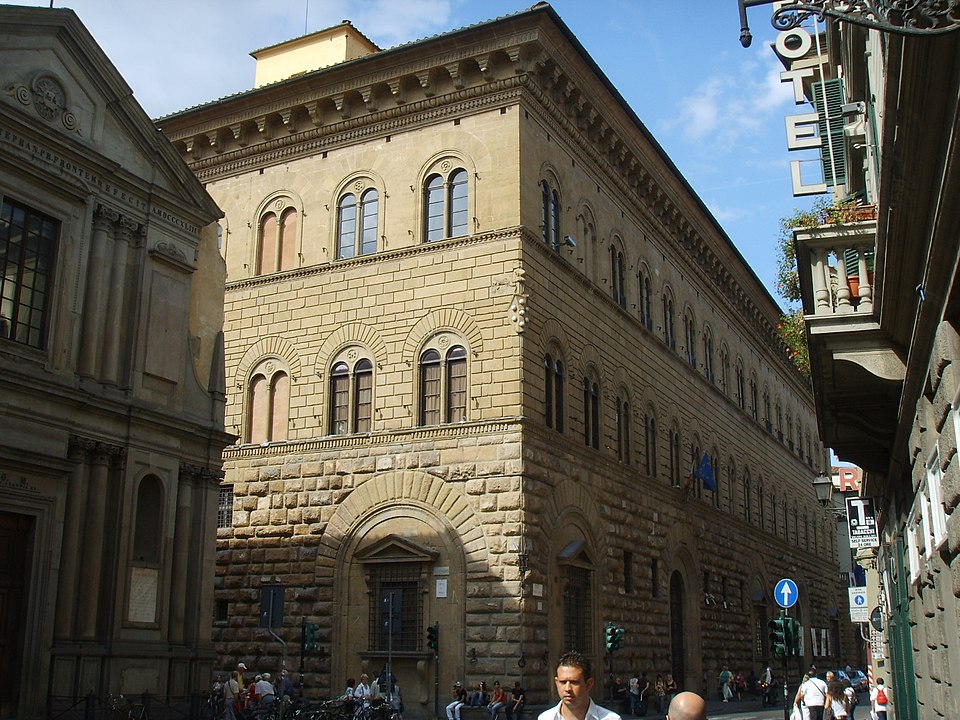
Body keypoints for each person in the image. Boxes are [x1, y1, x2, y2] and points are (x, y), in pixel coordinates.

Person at [537, 650, 619, 720]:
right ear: (556, 683)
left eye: (574, 682)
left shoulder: (611, 718)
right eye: (563, 682)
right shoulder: (545, 718)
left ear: (589, 684)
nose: (567, 688)